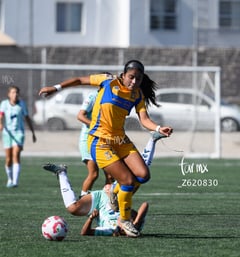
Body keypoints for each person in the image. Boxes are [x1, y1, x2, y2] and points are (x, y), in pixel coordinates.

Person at [39, 60, 173, 237]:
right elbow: (79, 80)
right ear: (123, 75)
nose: (134, 82)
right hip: (100, 141)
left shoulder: (137, 94)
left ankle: (114, 196)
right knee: (126, 181)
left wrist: (157, 128)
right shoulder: (108, 81)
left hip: (120, 139)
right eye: (131, 77)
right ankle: (124, 220)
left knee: (143, 175)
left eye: (138, 79)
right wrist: (55, 88)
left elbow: (144, 120)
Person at [43, 130, 167, 236]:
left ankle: (61, 173)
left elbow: (85, 233)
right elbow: (145, 205)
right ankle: (153, 140)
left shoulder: (110, 230)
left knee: (73, 208)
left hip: (100, 201)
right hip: (118, 196)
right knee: (140, 176)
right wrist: (135, 223)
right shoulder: (133, 227)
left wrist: (92, 218)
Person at [77, 86, 113, 197]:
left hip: (104, 140)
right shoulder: (93, 96)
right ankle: (83, 200)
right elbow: (80, 116)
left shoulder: (111, 98)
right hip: (89, 139)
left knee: (110, 175)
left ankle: (107, 204)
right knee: (93, 174)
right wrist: (96, 126)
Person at [0, 85, 36, 188]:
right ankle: (10, 179)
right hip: (7, 134)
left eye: (17, 92)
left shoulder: (22, 104)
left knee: (16, 154)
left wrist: (33, 132)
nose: (15, 94)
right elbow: (0, 117)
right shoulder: (4, 104)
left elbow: (27, 118)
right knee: (8, 158)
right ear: (9, 94)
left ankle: (15, 181)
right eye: (13, 92)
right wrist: (0, 124)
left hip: (19, 133)